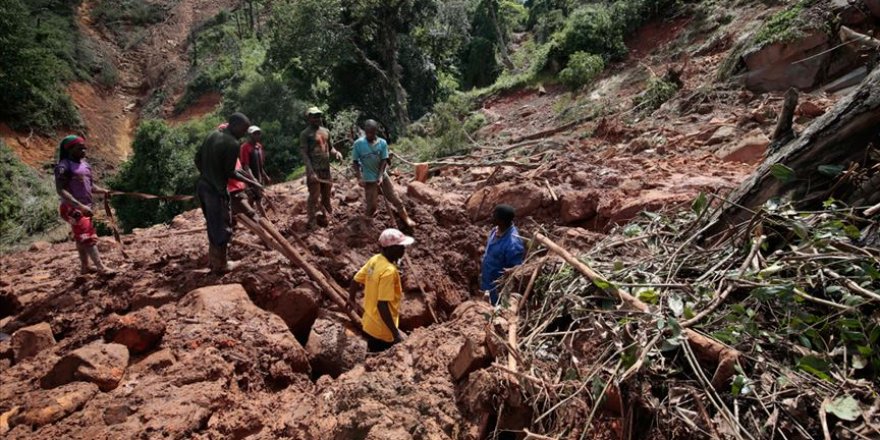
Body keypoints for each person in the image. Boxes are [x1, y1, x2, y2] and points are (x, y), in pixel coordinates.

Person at [195, 112, 251, 273]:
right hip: (216, 191)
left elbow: (197, 159)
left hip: (203, 187)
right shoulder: (233, 143)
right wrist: (251, 182)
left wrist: (208, 174)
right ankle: (221, 265)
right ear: (234, 125)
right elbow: (230, 173)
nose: (244, 133)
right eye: (243, 129)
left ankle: (214, 261)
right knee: (222, 226)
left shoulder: (211, 135)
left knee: (212, 224)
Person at [348, 228, 414, 352]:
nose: (404, 249)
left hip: (368, 325)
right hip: (383, 332)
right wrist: (395, 334)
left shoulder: (375, 260)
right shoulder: (389, 271)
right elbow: (382, 305)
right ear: (390, 249)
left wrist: (351, 299)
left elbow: (356, 280)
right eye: (400, 247)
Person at [54, 135, 112, 275]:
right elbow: (60, 190)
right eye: (80, 148)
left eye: (84, 147)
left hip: (85, 207)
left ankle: (85, 267)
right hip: (72, 208)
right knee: (88, 237)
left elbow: (90, 186)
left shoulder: (85, 165)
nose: (84, 150)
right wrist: (80, 206)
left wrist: (103, 191)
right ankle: (101, 268)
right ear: (70, 149)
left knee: (81, 238)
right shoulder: (63, 167)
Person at [351, 119, 415, 227]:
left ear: (376, 131)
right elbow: (355, 162)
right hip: (369, 179)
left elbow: (384, 160)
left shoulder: (382, 143)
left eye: (371, 132)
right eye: (367, 132)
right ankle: (367, 225)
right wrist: (359, 177)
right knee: (371, 206)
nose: (369, 135)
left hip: (383, 177)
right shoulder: (358, 144)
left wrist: (380, 176)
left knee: (395, 199)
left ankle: (406, 217)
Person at [300, 107, 342, 229]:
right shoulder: (305, 134)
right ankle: (312, 222)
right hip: (314, 171)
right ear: (309, 118)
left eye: (318, 115)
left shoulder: (326, 131)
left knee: (326, 196)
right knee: (314, 197)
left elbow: (330, 148)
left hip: (326, 169)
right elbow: (304, 154)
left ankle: (328, 218)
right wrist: (311, 171)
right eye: (314, 116)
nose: (317, 118)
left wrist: (337, 153)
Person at [480, 204, 525, 306]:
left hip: (498, 289)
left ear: (502, 221)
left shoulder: (513, 244)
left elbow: (514, 272)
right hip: (487, 281)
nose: (491, 217)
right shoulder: (495, 230)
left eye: (494, 216)